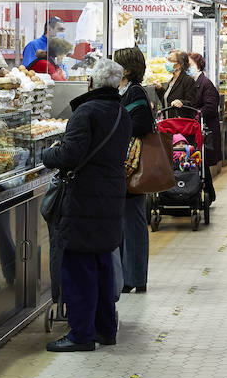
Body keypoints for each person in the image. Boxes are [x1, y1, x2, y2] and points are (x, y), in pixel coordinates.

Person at [40, 58, 131, 352]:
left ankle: (81, 335)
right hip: (111, 196)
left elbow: (71, 155)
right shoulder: (121, 112)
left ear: (90, 82)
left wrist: (48, 154)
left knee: (78, 267)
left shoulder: (86, 111)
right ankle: (105, 329)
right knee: (103, 264)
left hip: (83, 199)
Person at [113, 47, 155, 295]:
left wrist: (117, 124)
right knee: (127, 223)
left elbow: (142, 125)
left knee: (133, 223)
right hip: (125, 167)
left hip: (132, 167)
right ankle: (129, 275)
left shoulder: (135, 91)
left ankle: (135, 277)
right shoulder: (124, 90)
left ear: (126, 69)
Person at [189, 52, 221, 199]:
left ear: (198, 66)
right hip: (196, 128)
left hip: (205, 129)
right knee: (200, 161)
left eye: (190, 65)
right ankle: (205, 191)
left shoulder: (206, 84)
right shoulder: (192, 83)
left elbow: (210, 107)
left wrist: (194, 114)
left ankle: (209, 192)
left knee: (203, 161)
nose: (187, 68)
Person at [161, 50, 198, 119]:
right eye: (167, 60)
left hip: (180, 124)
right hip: (169, 122)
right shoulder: (172, 80)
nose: (167, 63)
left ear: (180, 64)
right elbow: (167, 101)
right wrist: (160, 89)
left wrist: (181, 102)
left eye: (170, 60)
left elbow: (192, 103)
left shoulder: (187, 80)